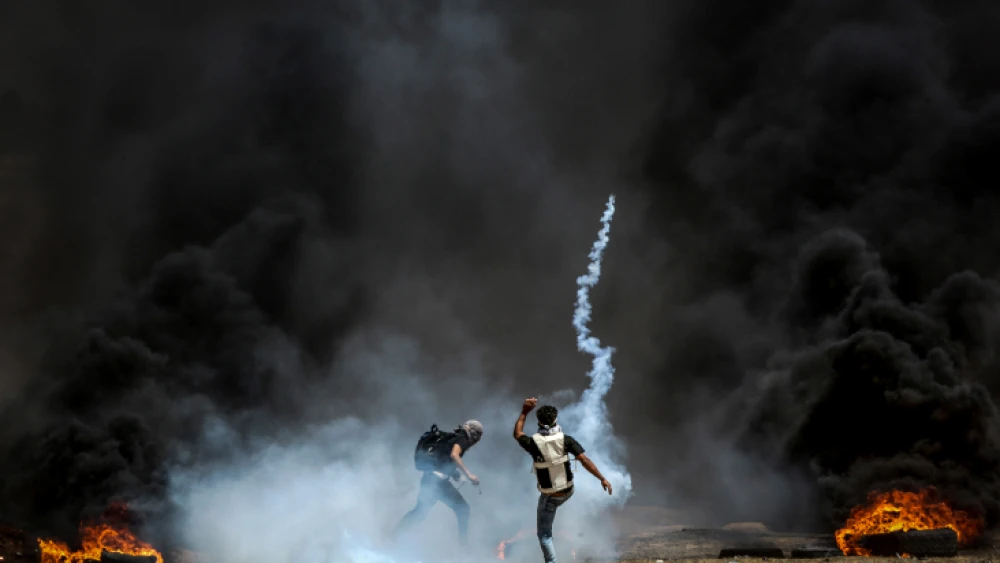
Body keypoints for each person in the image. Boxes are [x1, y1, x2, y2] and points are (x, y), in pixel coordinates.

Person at [513, 398, 611, 563]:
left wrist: (524, 411)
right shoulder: (566, 440)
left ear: (539, 422)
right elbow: (584, 460)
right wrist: (602, 478)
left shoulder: (533, 443)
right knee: (552, 508)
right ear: (555, 420)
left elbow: (517, 433)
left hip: (550, 496)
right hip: (568, 491)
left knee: (544, 534)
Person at [394, 419, 484, 546]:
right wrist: (469, 475)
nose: (477, 440)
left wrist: (454, 474)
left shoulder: (452, 437)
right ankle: (464, 547)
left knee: (420, 512)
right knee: (463, 509)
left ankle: (394, 536)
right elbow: (454, 455)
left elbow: (443, 459)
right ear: (474, 433)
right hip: (437, 483)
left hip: (429, 479)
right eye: (478, 436)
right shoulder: (463, 438)